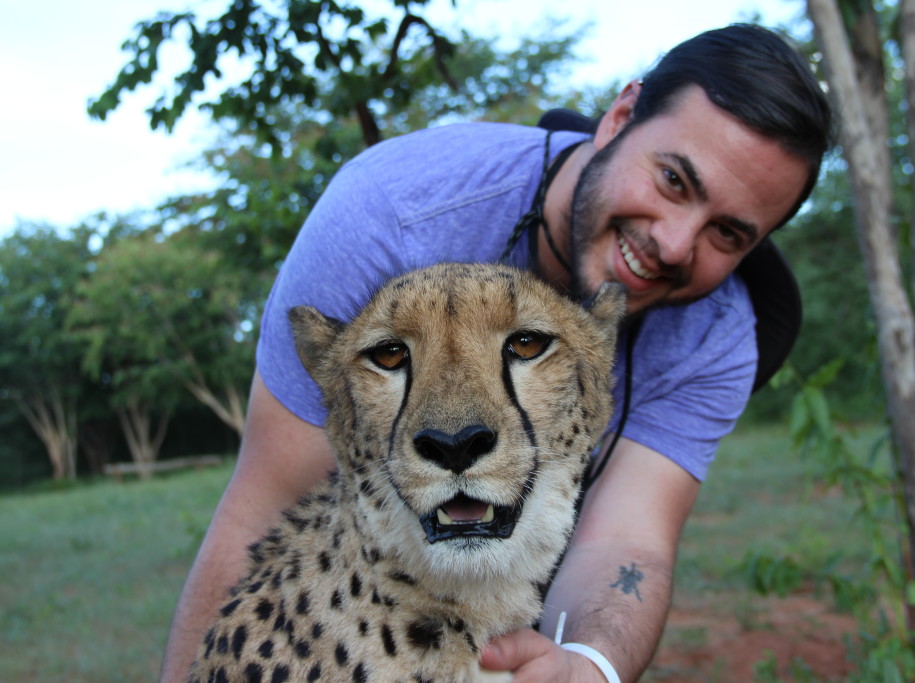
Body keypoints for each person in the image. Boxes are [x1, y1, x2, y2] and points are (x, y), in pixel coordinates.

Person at [160, 23, 831, 682]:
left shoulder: (719, 329)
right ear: (621, 116)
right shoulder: (391, 215)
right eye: (674, 181)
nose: (677, 243)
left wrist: (589, 668)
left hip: (511, 616)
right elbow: (264, 510)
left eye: (729, 233)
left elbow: (628, 541)